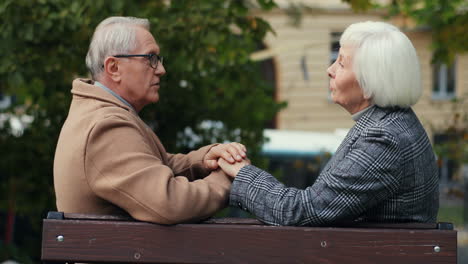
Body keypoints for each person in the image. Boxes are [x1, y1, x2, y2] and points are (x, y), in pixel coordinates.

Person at [218, 21, 439, 226]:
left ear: (369, 81)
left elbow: (302, 211)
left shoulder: (383, 139)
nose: (329, 70)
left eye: (341, 63)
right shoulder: (393, 123)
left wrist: (242, 173)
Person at [54, 16, 247, 225]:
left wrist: (205, 159)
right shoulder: (106, 126)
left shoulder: (102, 114)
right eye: (150, 58)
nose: (161, 70)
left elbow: (152, 165)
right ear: (114, 68)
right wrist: (229, 178)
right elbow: (170, 203)